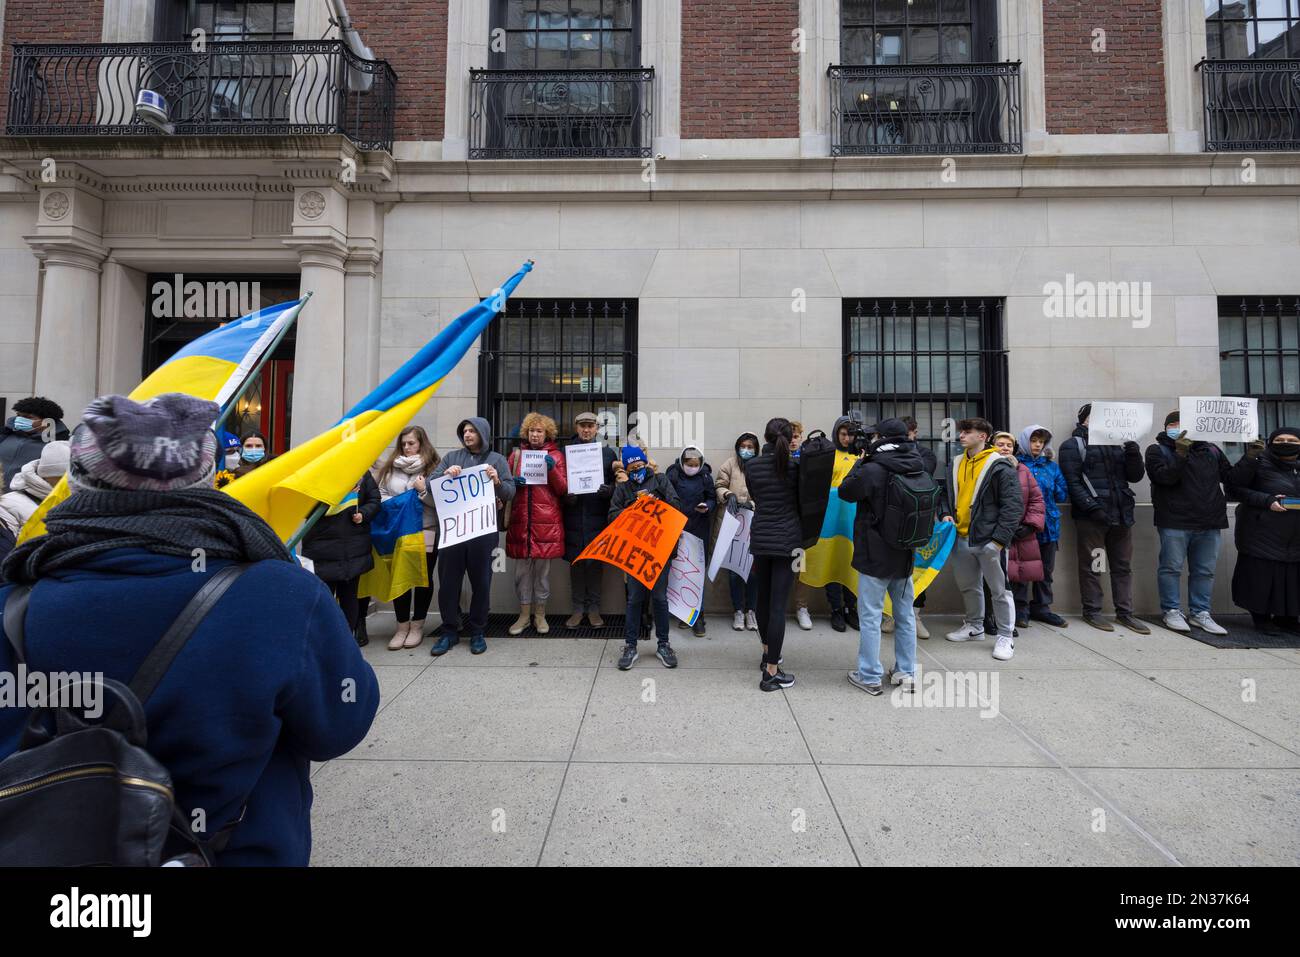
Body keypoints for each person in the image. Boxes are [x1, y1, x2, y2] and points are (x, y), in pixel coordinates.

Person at [0, 393, 378, 865]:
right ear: (205, 478)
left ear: (76, 484)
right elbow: (339, 726)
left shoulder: (15, 600)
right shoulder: (280, 595)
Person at [838, 419, 923, 696]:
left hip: (875, 553)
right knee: (905, 615)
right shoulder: (917, 463)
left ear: (882, 438)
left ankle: (869, 675)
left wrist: (861, 461)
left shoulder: (873, 468)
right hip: (905, 553)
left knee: (871, 615)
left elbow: (846, 491)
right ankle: (907, 672)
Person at [1058, 404, 1151, 634]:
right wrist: (1093, 508)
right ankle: (1093, 611)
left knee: (1122, 565)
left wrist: (1132, 450)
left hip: (1121, 516)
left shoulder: (1118, 446)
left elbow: (1135, 476)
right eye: (1094, 417)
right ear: (1084, 421)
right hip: (1093, 519)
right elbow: (1073, 481)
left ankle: (1125, 613)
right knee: (1094, 565)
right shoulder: (1074, 445)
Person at [429, 417, 515, 656]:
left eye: (472, 431)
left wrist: (497, 481)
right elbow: (431, 484)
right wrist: (446, 475)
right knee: (448, 585)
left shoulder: (497, 460)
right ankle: (449, 631)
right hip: (453, 534)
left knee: (482, 583)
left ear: (483, 433)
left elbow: (510, 491)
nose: (467, 435)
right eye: (464, 431)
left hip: (483, 534)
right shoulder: (451, 458)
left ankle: (477, 631)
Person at [942, 418, 1022, 661]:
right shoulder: (956, 462)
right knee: (969, 586)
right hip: (961, 536)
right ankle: (975, 626)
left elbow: (1013, 506)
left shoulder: (999, 465)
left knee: (1000, 590)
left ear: (982, 436)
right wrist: (945, 513)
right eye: (961, 432)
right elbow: (946, 494)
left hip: (988, 540)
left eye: (967, 432)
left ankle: (1005, 636)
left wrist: (998, 541)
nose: (961, 436)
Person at [1145, 411, 1231, 635]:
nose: (1176, 427)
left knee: (1204, 571)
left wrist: (1250, 458)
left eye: (1181, 424)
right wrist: (1181, 454)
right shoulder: (1157, 450)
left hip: (1209, 521)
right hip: (1175, 521)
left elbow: (1231, 478)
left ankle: (1200, 612)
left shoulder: (1211, 450)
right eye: (1172, 424)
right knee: (1171, 568)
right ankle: (1171, 610)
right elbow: (1165, 478)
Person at [612, 446, 683, 670]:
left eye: (640, 466)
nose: (636, 471)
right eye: (631, 468)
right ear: (626, 469)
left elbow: (676, 506)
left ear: (646, 464)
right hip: (634, 552)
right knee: (634, 599)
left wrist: (655, 503)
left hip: (659, 550)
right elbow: (612, 516)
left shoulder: (661, 481)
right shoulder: (623, 489)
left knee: (660, 598)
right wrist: (633, 507)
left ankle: (663, 644)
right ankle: (630, 645)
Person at [746, 418, 802, 691]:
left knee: (763, 600)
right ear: (790, 437)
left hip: (761, 538)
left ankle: (767, 652)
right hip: (788, 541)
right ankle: (771, 672)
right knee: (778, 605)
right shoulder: (795, 467)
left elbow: (756, 495)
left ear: (765, 437)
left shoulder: (752, 466)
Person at [1226, 428, 1300, 635]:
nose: (1286, 443)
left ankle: (1289, 618)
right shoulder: (1257, 461)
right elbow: (1234, 488)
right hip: (1261, 531)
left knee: (1292, 579)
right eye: (1280, 439)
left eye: (1292, 440)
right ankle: (1262, 618)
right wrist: (1267, 501)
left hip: (1294, 536)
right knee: (1261, 577)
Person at [374, 427, 441, 650]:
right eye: (403, 443)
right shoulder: (391, 468)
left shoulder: (435, 467)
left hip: (426, 529)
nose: (406, 447)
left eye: (411, 443)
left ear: (422, 443)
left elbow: (441, 502)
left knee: (423, 577)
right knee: (400, 578)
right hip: (397, 531)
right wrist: (394, 505)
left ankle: (418, 625)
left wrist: (422, 492)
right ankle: (402, 627)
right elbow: (380, 493)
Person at [302, 469, 382, 647]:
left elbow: (375, 500)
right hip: (321, 545)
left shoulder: (360, 471)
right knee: (323, 598)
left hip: (353, 544)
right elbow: (304, 505)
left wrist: (363, 514)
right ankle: (323, 643)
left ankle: (346, 643)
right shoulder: (317, 470)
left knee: (349, 596)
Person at [506, 413, 568, 636]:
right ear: (526, 433)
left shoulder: (556, 456)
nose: (535, 434)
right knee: (521, 573)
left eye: (539, 431)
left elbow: (562, 489)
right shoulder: (515, 456)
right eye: (532, 431)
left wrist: (551, 469)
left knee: (542, 574)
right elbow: (504, 488)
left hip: (545, 523)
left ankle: (540, 615)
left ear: (547, 433)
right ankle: (523, 616)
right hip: (521, 521)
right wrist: (512, 483)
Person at [562, 412, 624, 628]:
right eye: (582, 426)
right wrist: (565, 496)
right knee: (576, 564)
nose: (586, 430)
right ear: (576, 427)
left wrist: (610, 491)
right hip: (573, 517)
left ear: (597, 428)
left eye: (590, 426)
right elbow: (558, 483)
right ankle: (578, 609)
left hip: (598, 517)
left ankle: (595, 609)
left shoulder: (607, 454)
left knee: (596, 564)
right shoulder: (565, 453)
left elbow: (620, 485)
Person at [1015, 424, 1069, 627]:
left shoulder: (1051, 466)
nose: (1037, 445)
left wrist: (1053, 484)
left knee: (1046, 570)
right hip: (1025, 525)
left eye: (1041, 442)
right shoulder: (1016, 463)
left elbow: (1062, 494)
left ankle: (1042, 607)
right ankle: (1020, 609)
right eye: (1033, 441)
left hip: (1049, 525)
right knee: (1022, 569)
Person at [993, 432, 1046, 630]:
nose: (1005, 448)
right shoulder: (986, 468)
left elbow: (1036, 499)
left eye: (1009, 445)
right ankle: (995, 617)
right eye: (1001, 444)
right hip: (996, 532)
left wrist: (1029, 525)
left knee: (1020, 574)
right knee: (998, 577)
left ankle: (1020, 614)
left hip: (1021, 532)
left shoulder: (1023, 470)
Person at [666, 445, 714, 637]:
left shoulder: (705, 477)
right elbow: (666, 498)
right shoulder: (673, 475)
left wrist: (707, 506)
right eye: (689, 464)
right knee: (678, 572)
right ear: (682, 462)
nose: (693, 467)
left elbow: (712, 498)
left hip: (699, 530)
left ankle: (698, 616)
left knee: (696, 573)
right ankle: (683, 613)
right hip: (677, 530)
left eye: (696, 464)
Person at [820, 415, 862, 634]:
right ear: (836, 433)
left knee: (853, 562)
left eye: (850, 434)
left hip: (855, 518)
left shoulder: (861, 456)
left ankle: (851, 608)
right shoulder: (829, 455)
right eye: (843, 434)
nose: (847, 438)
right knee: (833, 561)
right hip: (832, 518)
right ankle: (836, 608)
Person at [715, 431, 760, 631]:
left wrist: (753, 504)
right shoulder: (729, 464)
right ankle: (738, 611)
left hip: (754, 526)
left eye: (750, 447)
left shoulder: (761, 466)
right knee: (734, 572)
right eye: (743, 446)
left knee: (753, 572)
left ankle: (752, 611)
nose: (746, 450)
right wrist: (728, 494)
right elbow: (719, 485)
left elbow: (768, 491)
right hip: (732, 525)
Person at [0, 440, 70, 552]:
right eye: (63, 477)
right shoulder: (8, 504)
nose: (68, 483)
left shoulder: (75, 503)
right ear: (46, 475)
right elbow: (8, 549)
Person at [902, 415, 935, 638]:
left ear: (915, 433)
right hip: (894, 519)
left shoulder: (926, 454)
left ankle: (915, 614)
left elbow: (921, 477)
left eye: (907, 433)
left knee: (919, 567)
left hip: (920, 518)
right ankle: (891, 614)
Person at [0, 396, 68, 489]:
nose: (20, 420)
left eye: (28, 417)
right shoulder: (5, 435)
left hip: (27, 500)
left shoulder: (58, 446)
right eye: (18, 415)